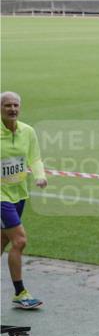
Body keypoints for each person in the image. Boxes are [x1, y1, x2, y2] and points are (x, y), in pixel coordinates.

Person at [1, 92, 47, 310]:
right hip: (1, 197)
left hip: (19, 194)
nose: (12, 109)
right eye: (7, 105)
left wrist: (40, 175)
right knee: (19, 241)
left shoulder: (27, 131)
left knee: (2, 242)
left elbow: (34, 157)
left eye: (15, 105)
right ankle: (20, 293)